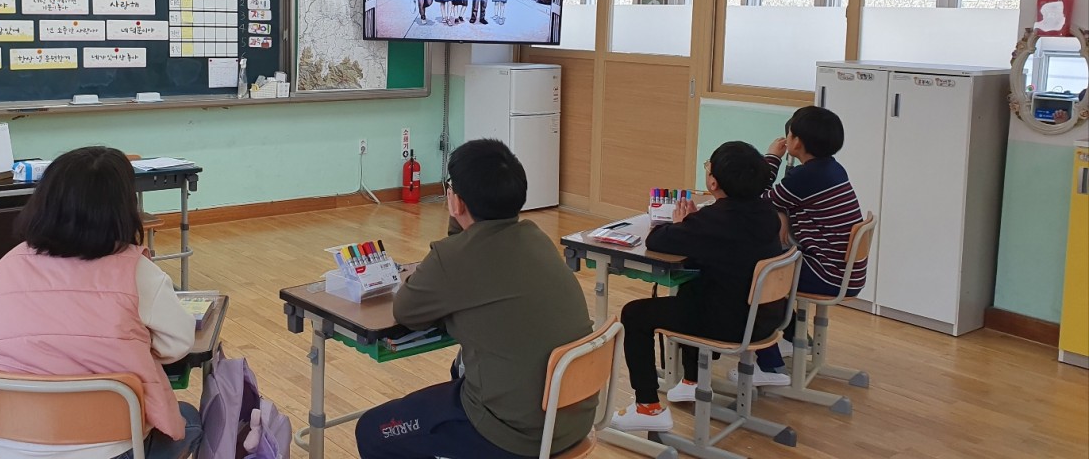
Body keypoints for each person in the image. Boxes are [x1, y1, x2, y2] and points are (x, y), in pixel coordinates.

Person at [354, 139, 595, 459]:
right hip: (572, 420)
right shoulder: (536, 237)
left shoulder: (452, 259)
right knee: (459, 371)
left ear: (456, 202)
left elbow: (406, 310)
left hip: (516, 434)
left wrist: (455, 220)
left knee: (373, 430)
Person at [0, 147, 201, 459]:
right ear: (124, 207)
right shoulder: (137, 271)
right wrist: (127, 344)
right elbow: (178, 344)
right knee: (190, 418)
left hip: (12, 444)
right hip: (113, 446)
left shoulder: (8, 264)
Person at [610, 141, 785, 433]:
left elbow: (657, 240)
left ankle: (647, 407)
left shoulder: (714, 220)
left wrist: (681, 224)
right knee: (693, 288)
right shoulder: (766, 211)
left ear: (713, 182)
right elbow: (720, 245)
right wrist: (693, 224)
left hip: (732, 324)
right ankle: (692, 380)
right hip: (766, 316)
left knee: (634, 313)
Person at [743, 105, 866, 385]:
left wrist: (772, 157)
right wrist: (783, 213)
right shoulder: (831, 169)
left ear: (796, 142)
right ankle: (790, 337)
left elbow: (758, 200)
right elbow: (783, 202)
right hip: (844, 271)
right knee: (774, 261)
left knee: (758, 275)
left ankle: (768, 365)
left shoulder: (806, 177)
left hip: (828, 274)